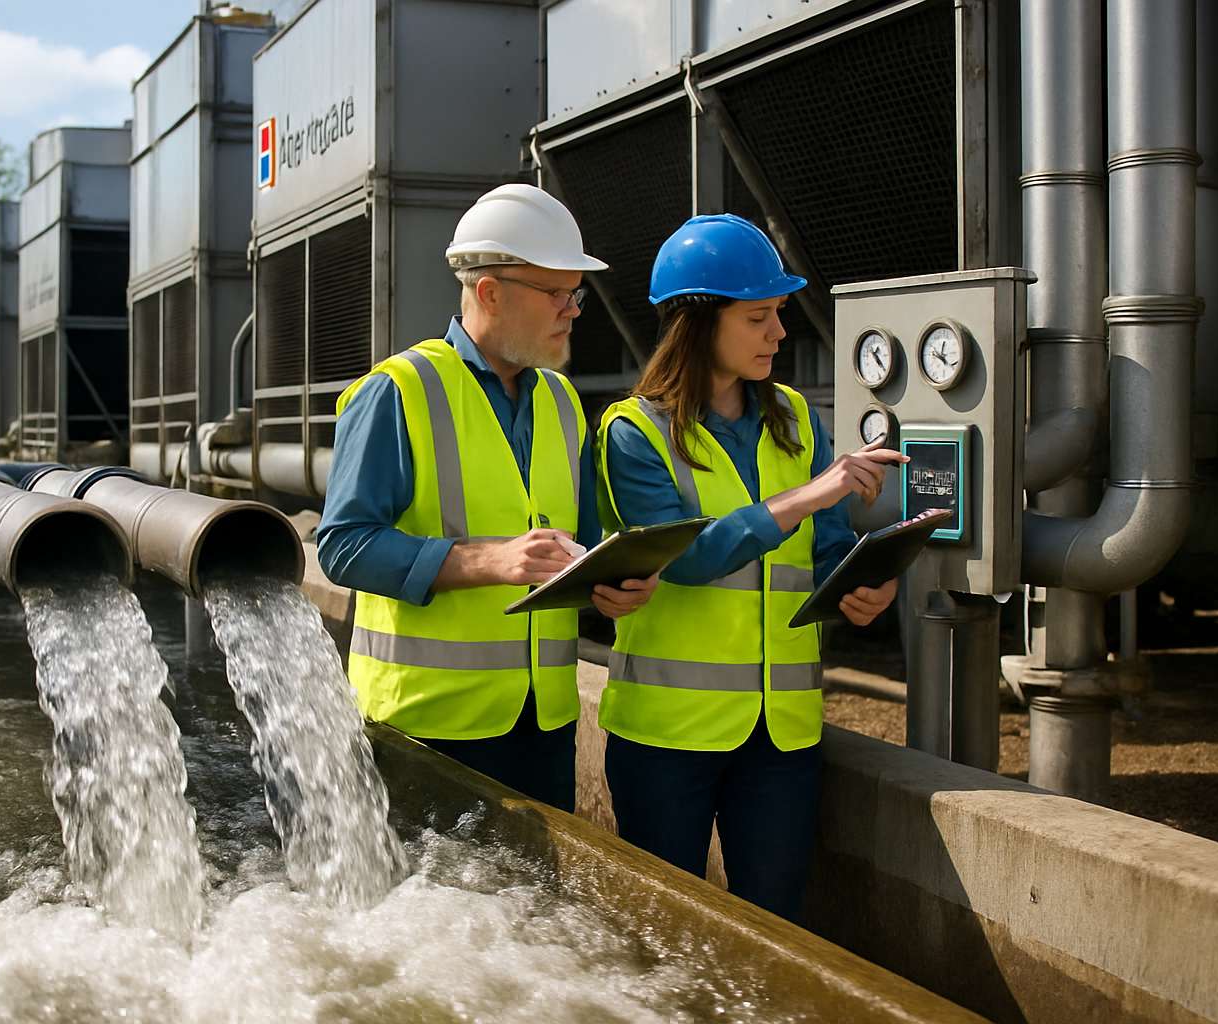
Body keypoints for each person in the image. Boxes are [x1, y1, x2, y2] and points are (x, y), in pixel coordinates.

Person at [595, 213, 904, 922]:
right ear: (700, 325)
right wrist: (812, 492)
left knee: (776, 927)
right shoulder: (634, 433)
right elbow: (690, 556)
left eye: (779, 315)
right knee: (663, 936)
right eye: (759, 317)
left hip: (782, 737)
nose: (779, 333)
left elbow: (826, 548)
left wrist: (864, 585)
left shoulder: (794, 417)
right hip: (668, 737)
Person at [317, 184, 657, 813]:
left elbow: (576, 543)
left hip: (544, 724)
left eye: (574, 294)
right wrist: (487, 562)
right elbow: (342, 546)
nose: (573, 310)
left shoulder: (562, 402)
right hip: (425, 730)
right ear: (490, 291)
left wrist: (611, 585)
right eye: (556, 293)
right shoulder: (399, 390)